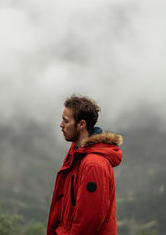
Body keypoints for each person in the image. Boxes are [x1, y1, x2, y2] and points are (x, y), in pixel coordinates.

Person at [47, 95, 123, 235]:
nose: (61, 125)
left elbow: (89, 221)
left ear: (81, 124)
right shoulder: (76, 153)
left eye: (66, 121)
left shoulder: (93, 165)